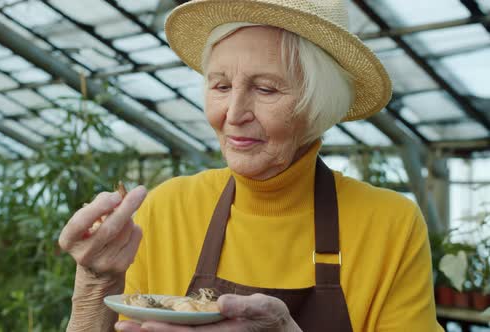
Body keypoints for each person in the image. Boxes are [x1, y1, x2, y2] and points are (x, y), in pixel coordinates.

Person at [58, 0, 444, 331]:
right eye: (221, 86)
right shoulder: (167, 209)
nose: (234, 114)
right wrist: (95, 284)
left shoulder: (389, 224)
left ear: (317, 106)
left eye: (266, 89)